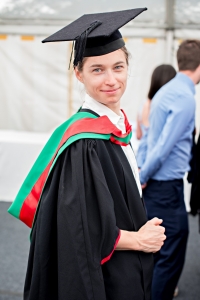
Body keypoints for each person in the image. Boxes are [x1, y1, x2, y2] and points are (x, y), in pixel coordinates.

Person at [8, 8, 166, 300]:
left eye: (118, 67)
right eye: (97, 69)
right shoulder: (85, 143)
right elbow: (79, 228)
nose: (111, 79)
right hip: (106, 278)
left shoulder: (113, 128)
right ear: (78, 74)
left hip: (130, 268)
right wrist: (139, 240)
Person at [138, 39, 200, 300]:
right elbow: (162, 146)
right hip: (165, 187)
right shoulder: (184, 96)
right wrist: (141, 176)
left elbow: (152, 138)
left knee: (161, 248)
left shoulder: (166, 90)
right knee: (171, 251)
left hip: (159, 186)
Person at [136, 64, 176, 167]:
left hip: (141, 159)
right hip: (159, 163)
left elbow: (138, 135)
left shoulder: (143, 104)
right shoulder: (168, 107)